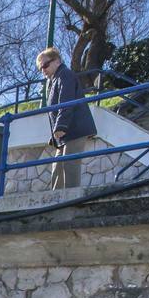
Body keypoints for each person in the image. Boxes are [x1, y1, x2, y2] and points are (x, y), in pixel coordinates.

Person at [38, 47, 97, 190]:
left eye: (45, 65)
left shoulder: (65, 75)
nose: (43, 69)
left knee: (70, 165)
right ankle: (56, 198)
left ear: (57, 61)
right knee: (58, 166)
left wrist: (60, 127)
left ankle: (70, 198)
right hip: (66, 133)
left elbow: (66, 101)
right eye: (40, 68)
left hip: (74, 129)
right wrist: (56, 134)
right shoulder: (54, 80)